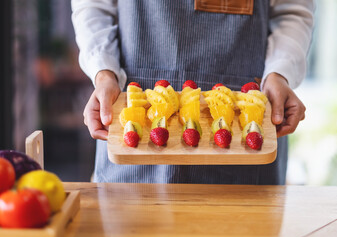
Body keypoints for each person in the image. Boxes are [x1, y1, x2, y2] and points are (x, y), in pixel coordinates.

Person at [72, 0, 314, 184]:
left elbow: (291, 8)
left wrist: (280, 72)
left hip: (245, 155)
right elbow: (93, 5)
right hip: (134, 139)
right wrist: (103, 72)